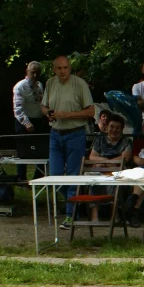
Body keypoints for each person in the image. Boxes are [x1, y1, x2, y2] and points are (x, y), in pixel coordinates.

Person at [41, 55, 95, 230]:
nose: (63, 71)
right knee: (55, 176)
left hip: (75, 133)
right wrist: (48, 112)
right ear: (54, 69)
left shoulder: (79, 84)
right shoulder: (50, 83)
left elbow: (90, 112)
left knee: (73, 175)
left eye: (66, 68)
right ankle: (76, 205)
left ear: (69, 68)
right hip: (55, 133)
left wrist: (67, 114)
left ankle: (71, 215)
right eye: (59, 68)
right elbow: (43, 106)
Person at [86, 114, 132, 222]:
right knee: (93, 180)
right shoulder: (100, 139)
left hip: (117, 171)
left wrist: (104, 162)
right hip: (101, 170)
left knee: (113, 181)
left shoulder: (126, 141)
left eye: (117, 128)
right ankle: (94, 215)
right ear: (107, 127)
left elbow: (125, 158)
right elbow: (92, 156)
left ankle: (114, 215)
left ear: (121, 129)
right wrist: (107, 162)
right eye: (112, 126)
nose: (114, 130)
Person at [12, 61, 48, 181]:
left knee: (40, 150)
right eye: (33, 73)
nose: (35, 76)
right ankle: (21, 178)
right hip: (24, 122)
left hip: (38, 120)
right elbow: (17, 109)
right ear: (27, 71)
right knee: (24, 151)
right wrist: (26, 123)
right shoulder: (20, 86)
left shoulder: (40, 85)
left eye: (38, 73)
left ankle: (38, 176)